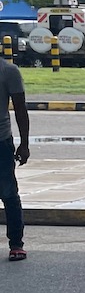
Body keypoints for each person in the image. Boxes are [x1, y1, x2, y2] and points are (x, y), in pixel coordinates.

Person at [1, 51, 30, 262]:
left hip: (1, 141)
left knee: (8, 192)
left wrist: (24, 144)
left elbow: (20, 108)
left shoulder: (8, 71)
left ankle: (16, 243)